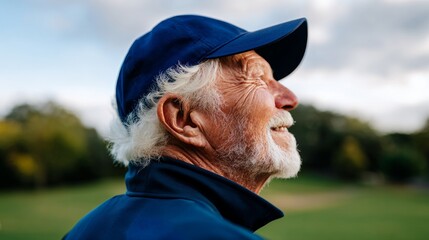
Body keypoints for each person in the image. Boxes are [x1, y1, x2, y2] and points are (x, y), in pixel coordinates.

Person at [64, 14, 307, 239]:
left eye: (274, 79)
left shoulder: (82, 231)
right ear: (184, 119)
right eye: (256, 77)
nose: (290, 98)